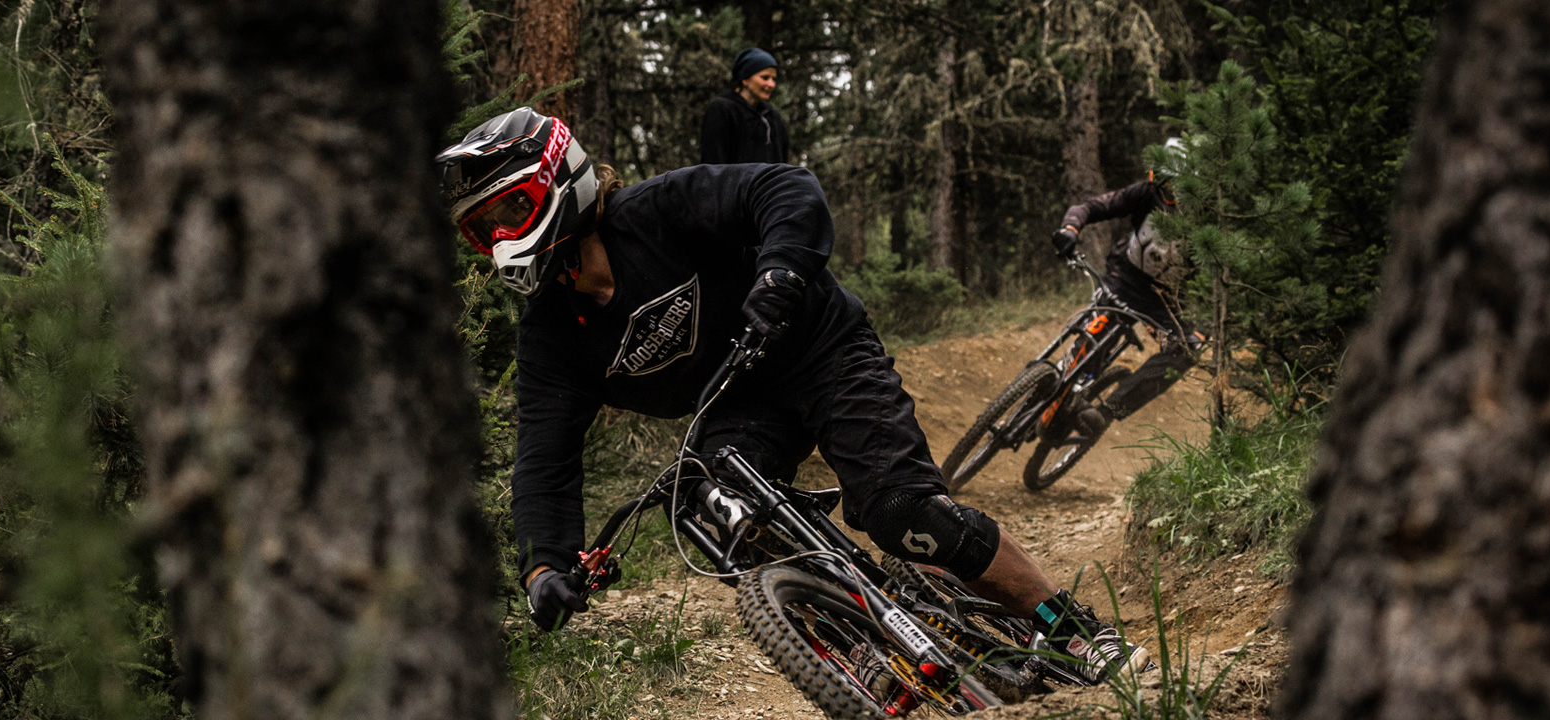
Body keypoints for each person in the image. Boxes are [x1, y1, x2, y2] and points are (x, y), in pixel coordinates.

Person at [436, 107, 1151, 684]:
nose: (500, 239)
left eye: (511, 211)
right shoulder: (552, 335)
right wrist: (544, 566)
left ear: (562, 179)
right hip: (739, 407)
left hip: (819, 349)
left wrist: (779, 275)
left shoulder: (656, 212)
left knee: (900, 511)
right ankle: (850, 640)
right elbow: (544, 457)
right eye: (481, 230)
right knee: (709, 511)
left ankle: (1071, 628)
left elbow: (787, 190)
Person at [1049, 139, 1206, 437]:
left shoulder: (1211, 221)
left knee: (1187, 350)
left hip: (1171, 302)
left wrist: (1203, 327)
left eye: (1172, 185)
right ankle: (1060, 383)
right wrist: (1070, 228)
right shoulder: (1146, 194)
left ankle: (1107, 412)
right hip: (1127, 277)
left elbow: (1219, 282)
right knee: (1095, 335)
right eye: (1159, 181)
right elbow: (1092, 206)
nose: (1165, 192)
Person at [699, 48, 790, 164]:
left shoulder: (773, 117)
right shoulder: (722, 109)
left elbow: (782, 162)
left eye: (774, 79)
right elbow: (713, 161)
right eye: (765, 78)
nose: (771, 84)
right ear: (745, 79)